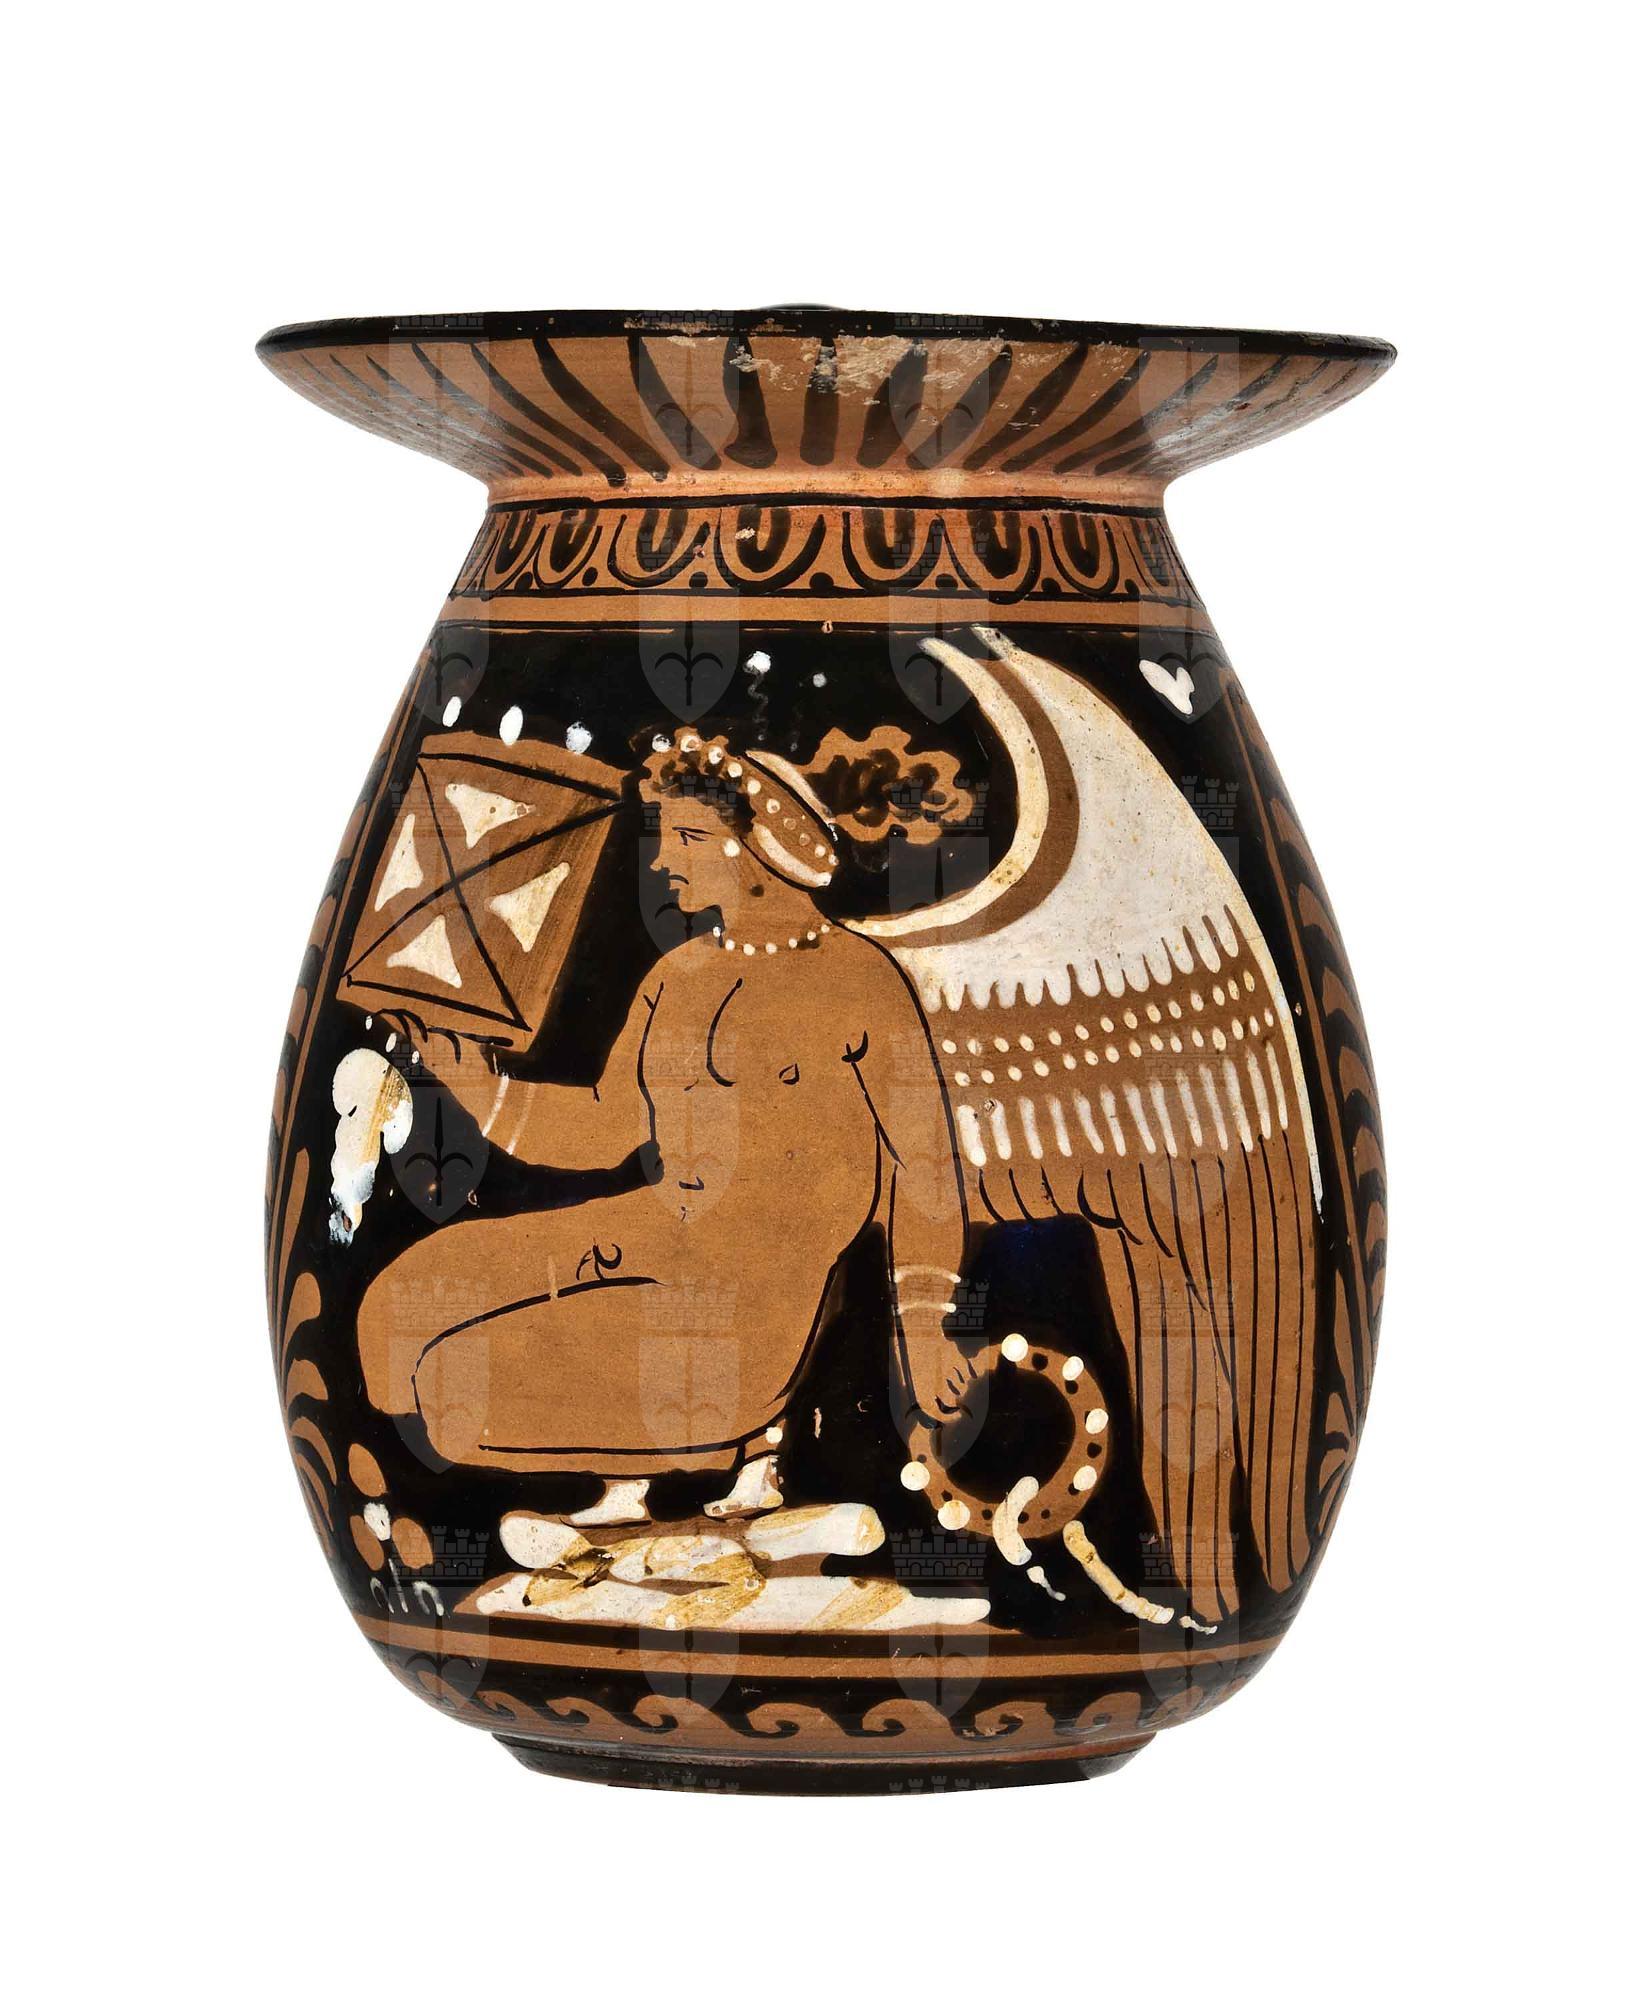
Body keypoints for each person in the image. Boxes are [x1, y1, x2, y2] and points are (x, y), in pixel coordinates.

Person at [356, 728, 975, 1523]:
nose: (663, 862)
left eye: (689, 838)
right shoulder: (678, 975)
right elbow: (603, 1128)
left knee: (453, 1387)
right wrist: (477, 1084)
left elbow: (926, 1169)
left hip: (754, 1293)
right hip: (653, 1234)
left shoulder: (861, 983)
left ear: (761, 849)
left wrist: (925, 1326)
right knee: (391, 1319)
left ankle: (728, 1456)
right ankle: (667, 1461)